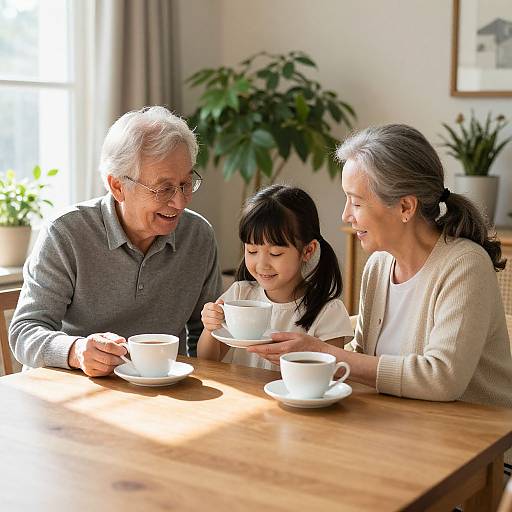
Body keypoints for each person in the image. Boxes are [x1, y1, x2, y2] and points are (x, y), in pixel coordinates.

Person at [248, 124, 512, 466]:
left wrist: (325, 353)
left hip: (478, 458)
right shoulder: (378, 265)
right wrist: (314, 360)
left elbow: (442, 378)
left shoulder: (464, 266)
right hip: (400, 441)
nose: (345, 215)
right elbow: (364, 356)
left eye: (356, 202)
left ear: (405, 207)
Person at [9, 106, 222, 376]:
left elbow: (204, 332)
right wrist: (77, 351)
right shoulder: (65, 233)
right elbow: (24, 333)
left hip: (161, 393)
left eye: (185, 183)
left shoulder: (198, 235)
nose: (179, 201)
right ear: (118, 186)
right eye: (164, 188)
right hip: (74, 391)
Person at [197, 184, 353, 370]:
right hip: (242, 397)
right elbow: (207, 360)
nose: (262, 264)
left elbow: (334, 373)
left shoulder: (328, 311)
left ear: (307, 250)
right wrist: (210, 326)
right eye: (252, 250)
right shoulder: (240, 294)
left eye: (276, 253)